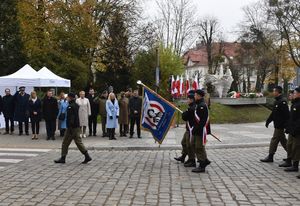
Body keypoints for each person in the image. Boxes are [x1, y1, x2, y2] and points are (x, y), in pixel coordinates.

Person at [54, 93, 92, 164]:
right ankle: (87, 156)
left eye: (67, 97)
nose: (67, 98)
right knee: (78, 142)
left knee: (65, 143)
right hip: (76, 127)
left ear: (70, 98)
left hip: (72, 128)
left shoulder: (70, 106)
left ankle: (63, 158)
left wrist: (70, 128)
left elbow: (72, 118)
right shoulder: (76, 105)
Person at [260, 86, 289, 163]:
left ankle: (270, 156)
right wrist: (268, 121)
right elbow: (274, 113)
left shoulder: (283, 101)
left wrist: (286, 125)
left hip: (280, 125)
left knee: (274, 140)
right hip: (277, 124)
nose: (273, 93)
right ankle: (291, 155)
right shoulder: (277, 101)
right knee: (283, 141)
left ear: (277, 92)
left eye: (274, 91)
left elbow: (286, 115)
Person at [174, 91, 196, 167]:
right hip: (188, 129)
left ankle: (192, 160)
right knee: (184, 142)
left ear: (192, 100)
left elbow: (185, 117)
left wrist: (185, 113)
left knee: (189, 145)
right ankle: (183, 157)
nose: (187, 100)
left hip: (191, 129)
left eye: (188, 99)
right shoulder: (190, 106)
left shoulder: (193, 107)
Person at [191, 89, 211, 173]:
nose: (194, 96)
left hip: (200, 130)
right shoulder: (198, 104)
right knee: (194, 145)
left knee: (198, 147)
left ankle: (202, 165)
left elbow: (203, 120)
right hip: (196, 129)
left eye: (195, 95)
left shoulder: (202, 105)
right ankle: (205, 160)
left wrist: (197, 129)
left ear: (199, 96)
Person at [284, 87, 300, 177]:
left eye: (295, 93)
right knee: (290, 145)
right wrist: (288, 127)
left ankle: (295, 165)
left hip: (297, 130)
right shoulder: (295, 104)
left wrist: (296, 129)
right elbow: (292, 118)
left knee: (296, 147)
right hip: (293, 129)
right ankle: (291, 161)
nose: (293, 94)